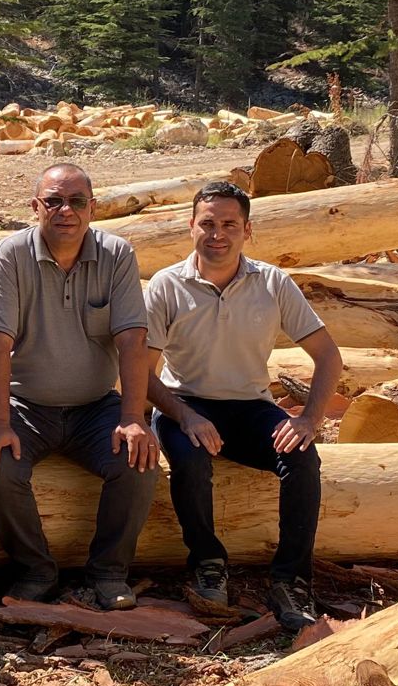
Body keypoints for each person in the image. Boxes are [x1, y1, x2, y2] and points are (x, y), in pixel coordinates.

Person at [145, 180, 342, 632]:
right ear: (190, 226)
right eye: (208, 224)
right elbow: (141, 372)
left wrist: (309, 418)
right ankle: (208, 563)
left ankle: (290, 580)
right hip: (186, 403)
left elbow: (328, 355)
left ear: (247, 230)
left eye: (229, 224)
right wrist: (183, 415)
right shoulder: (166, 286)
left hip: (252, 406)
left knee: (303, 459)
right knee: (190, 460)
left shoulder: (273, 283)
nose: (218, 234)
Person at [0, 162, 157, 610]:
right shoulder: (11, 255)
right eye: (53, 201)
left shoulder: (117, 255)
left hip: (96, 407)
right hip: (25, 406)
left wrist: (133, 419)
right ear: (36, 207)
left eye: (76, 201)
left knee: (139, 462)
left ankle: (109, 572)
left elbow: (133, 341)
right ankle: (35, 569)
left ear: (92, 209)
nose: (65, 211)